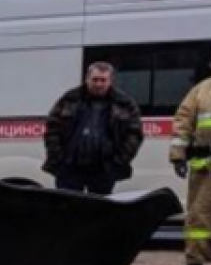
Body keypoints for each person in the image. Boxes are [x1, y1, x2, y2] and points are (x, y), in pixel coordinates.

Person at [42, 62, 144, 195]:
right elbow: (52, 127)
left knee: (99, 211)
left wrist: (118, 161)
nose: (99, 84)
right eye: (95, 79)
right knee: (67, 210)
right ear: (87, 79)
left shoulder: (124, 103)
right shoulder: (70, 98)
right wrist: (58, 156)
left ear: (110, 81)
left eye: (103, 80)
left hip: (104, 169)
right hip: (70, 167)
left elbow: (134, 134)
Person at [170, 37, 211, 265]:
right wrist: (178, 156)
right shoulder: (202, 89)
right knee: (198, 214)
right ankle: (195, 264)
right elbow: (183, 121)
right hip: (206, 162)